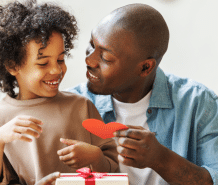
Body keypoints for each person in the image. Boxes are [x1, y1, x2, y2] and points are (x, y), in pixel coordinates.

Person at [0, 1, 119, 184]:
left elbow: (113, 168)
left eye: (60, 59)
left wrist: (96, 157)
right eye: (43, 63)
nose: (56, 70)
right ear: (12, 66)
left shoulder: (81, 107)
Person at [67, 3, 218, 185]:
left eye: (106, 58)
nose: (89, 60)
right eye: (91, 44)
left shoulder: (199, 103)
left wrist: (161, 159)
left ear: (145, 67)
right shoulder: (72, 104)